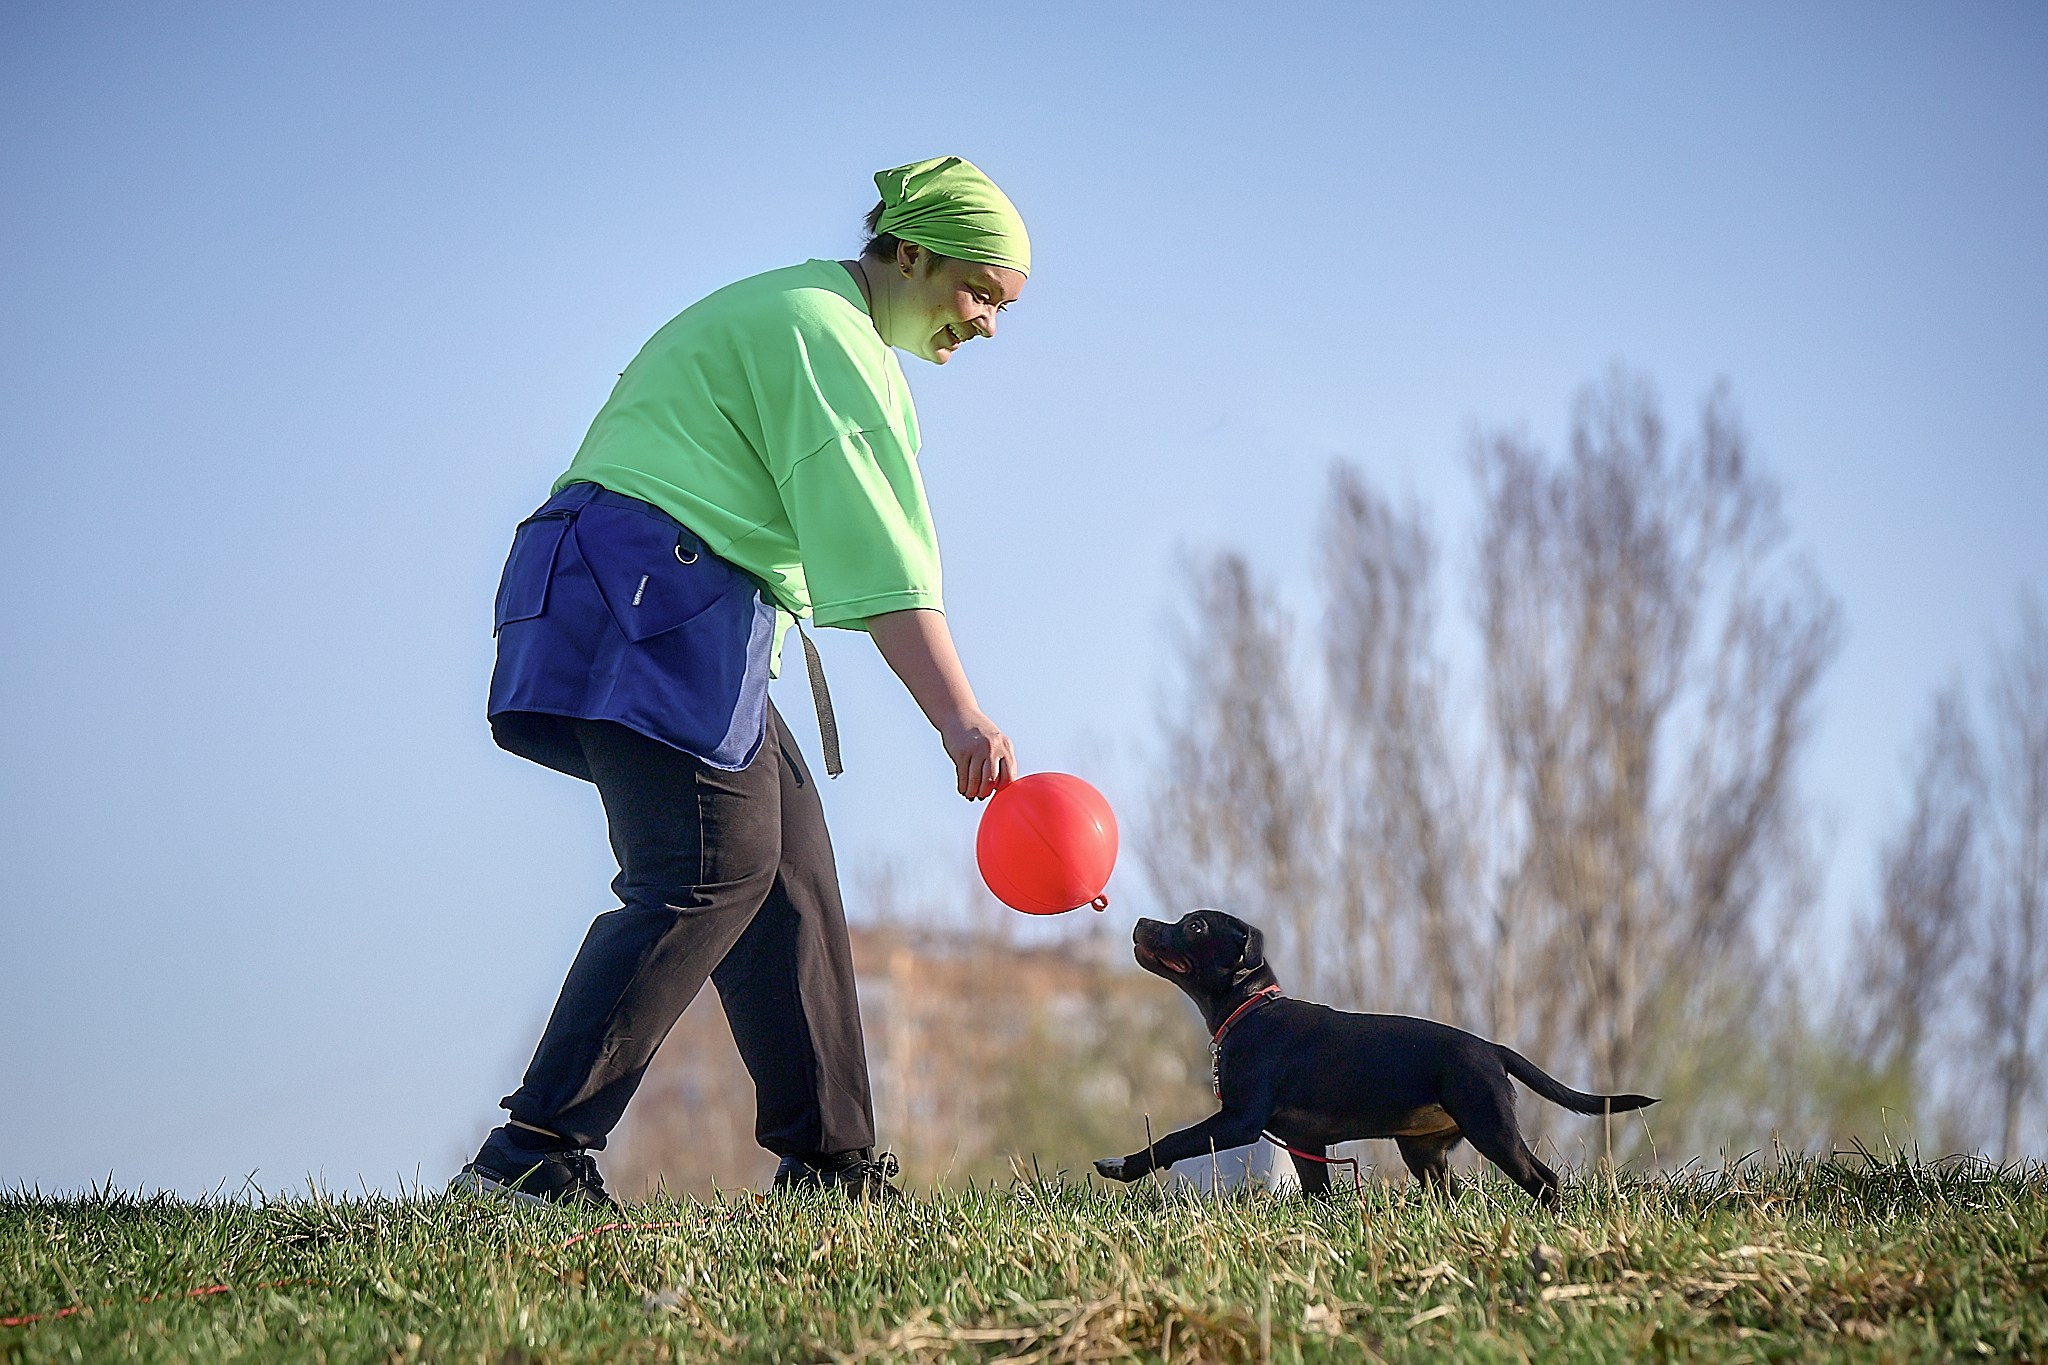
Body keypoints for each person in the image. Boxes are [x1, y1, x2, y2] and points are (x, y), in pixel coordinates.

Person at [450, 157, 1028, 1206]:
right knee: (708, 865)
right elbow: (879, 555)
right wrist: (958, 717)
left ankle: (833, 1167)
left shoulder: (812, 316)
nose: (986, 323)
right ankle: (528, 1155)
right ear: (910, 253)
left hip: (668, 600)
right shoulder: (826, 335)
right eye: (979, 293)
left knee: (787, 866)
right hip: (643, 590)